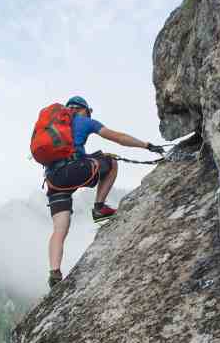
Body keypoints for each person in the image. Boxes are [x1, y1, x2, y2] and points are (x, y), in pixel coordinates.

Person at [45, 96, 165, 288]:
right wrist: (147, 145)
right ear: (84, 109)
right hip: (74, 170)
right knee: (111, 161)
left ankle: (54, 273)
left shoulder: (52, 125)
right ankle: (99, 207)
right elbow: (117, 137)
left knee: (59, 229)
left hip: (53, 180)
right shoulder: (84, 120)